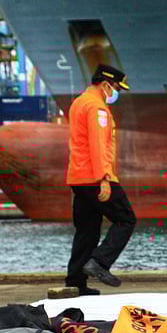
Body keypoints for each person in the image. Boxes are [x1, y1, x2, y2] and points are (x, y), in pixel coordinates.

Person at [64, 64, 136, 295]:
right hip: (96, 177)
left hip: (78, 176)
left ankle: (76, 282)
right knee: (126, 219)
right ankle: (100, 262)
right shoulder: (97, 108)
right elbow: (97, 144)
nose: (116, 93)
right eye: (116, 88)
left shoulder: (79, 103)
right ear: (106, 84)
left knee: (87, 229)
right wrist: (104, 177)